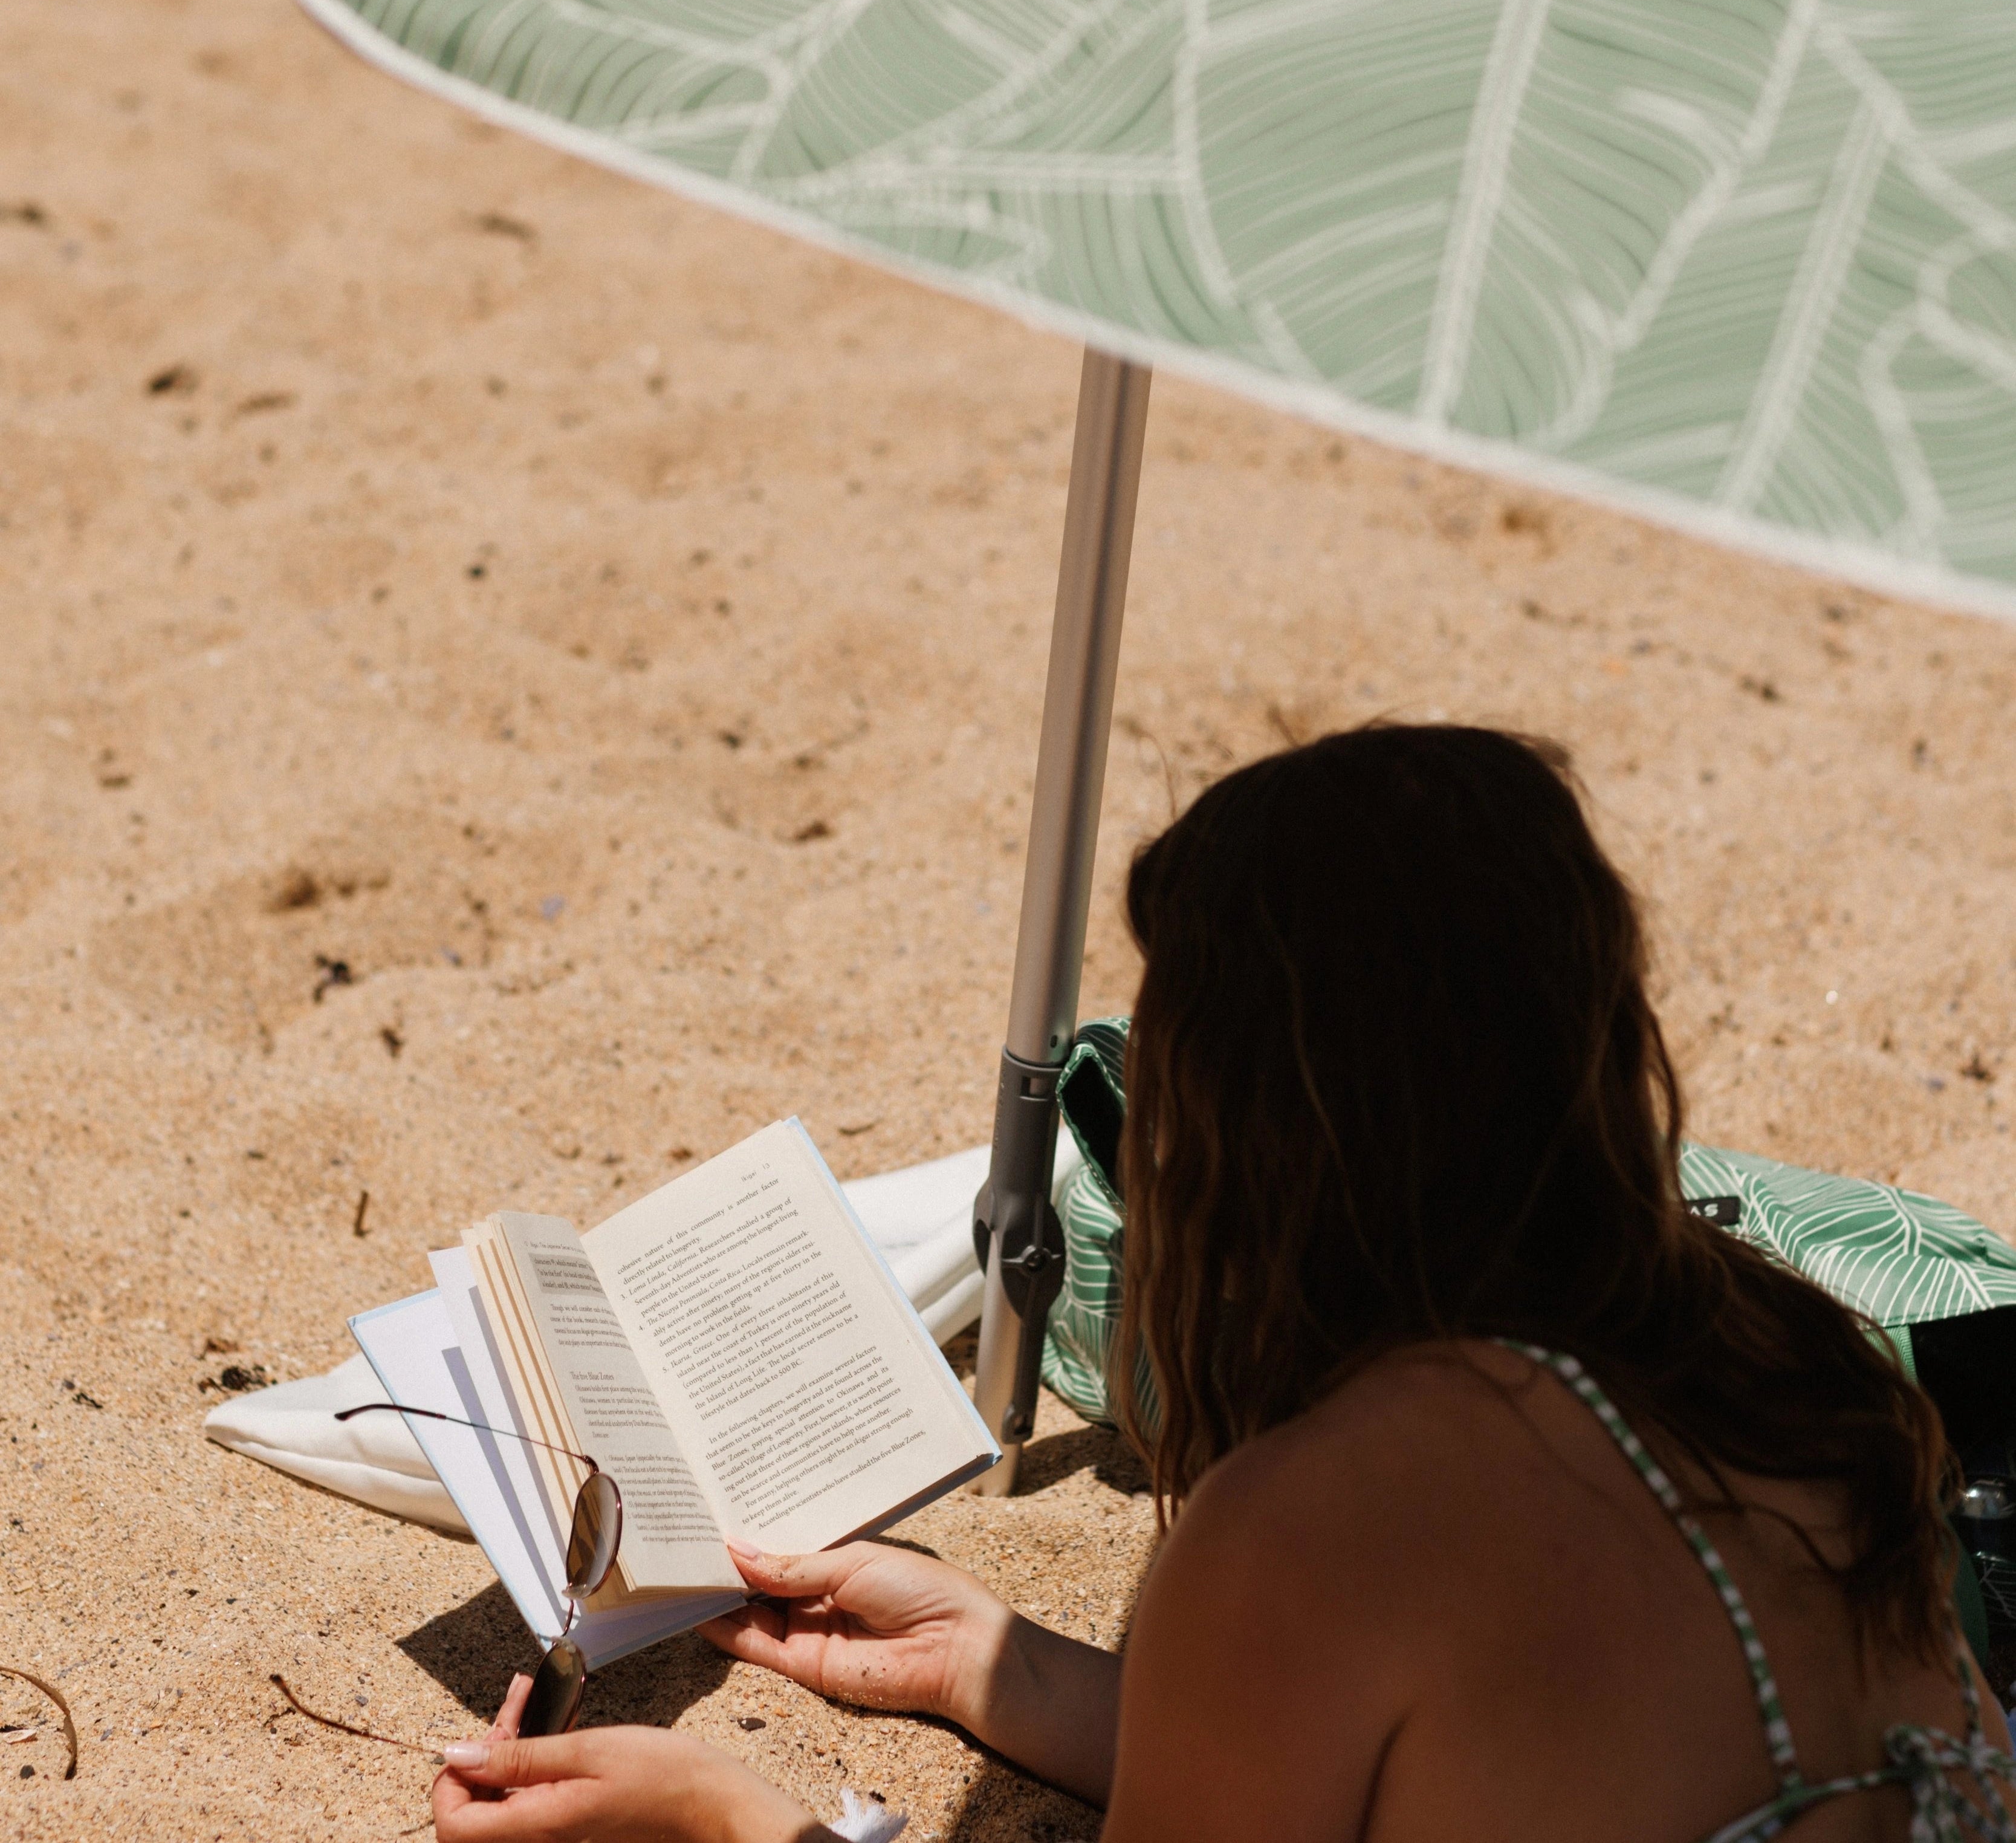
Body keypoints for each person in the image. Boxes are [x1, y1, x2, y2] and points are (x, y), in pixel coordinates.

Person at [433, 724, 2016, 1841]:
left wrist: (732, 1821)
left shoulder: (1322, 1523)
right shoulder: (1790, 1357)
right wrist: (1008, 1668)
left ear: (1249, 1131)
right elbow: (1503, 1753)